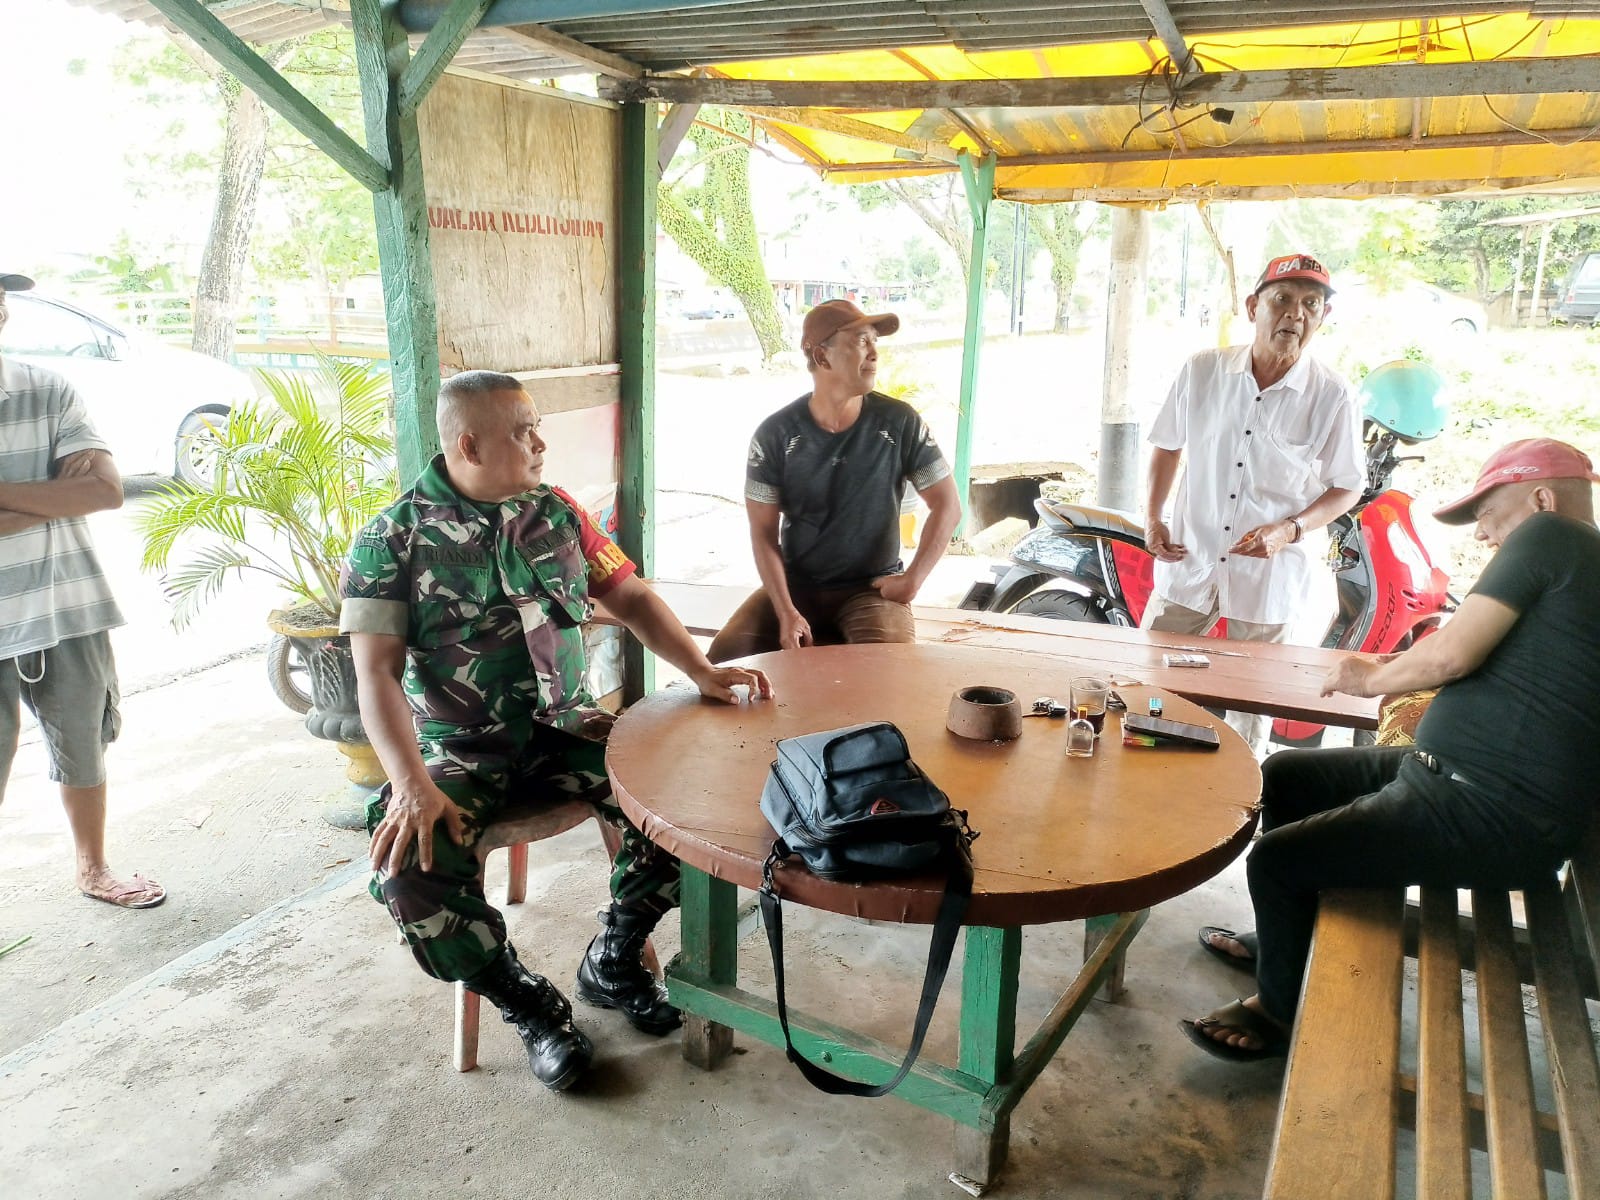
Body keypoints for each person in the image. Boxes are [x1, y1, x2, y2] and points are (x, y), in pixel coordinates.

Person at [341, 369, 771, 1092]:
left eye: (537, 427)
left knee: (693, 810)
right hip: (460, 748)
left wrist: (701, 669)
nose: (542, 443)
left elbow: (629, 594)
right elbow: (375, 675)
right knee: (408, 872)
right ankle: (531, 1006)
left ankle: (613, 955)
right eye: (522, 431)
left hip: (568, 729)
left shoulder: (558, 512)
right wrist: (412, 785)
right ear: (469, 443)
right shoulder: (392, 538)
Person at [1184, 438, 1600, 1061]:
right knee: (1289, 774)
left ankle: (1277, 1013)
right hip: (1459, 781)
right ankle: (1283, 937)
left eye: (1490, 515)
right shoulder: (1576, 570)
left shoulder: (1553, 539)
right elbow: (1471, 653)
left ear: (1542, 499)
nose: (1485, 535)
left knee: (1275, 861)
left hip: (1485, 808)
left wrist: (1367, 679)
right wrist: (1394, 665)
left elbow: (1452, 654)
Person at [1144, 253, 1365, 751]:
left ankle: (1241, 806)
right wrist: (1154, 516)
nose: (1296, 313)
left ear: (1323, 318)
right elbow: (1167, 442)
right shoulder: (1203, 371)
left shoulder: (1333, 394)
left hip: (1272, 577)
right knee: (1153, 684)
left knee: (1252, 708)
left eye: (1311, 304)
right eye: (1282, 299)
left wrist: (1290, 529)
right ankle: (1147, 776)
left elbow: (1347, 485)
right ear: (1252, 306)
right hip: (1191, 557)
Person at [0, 271, 164, 911]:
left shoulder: (46, 390)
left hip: (65, 604)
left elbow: (105, 490)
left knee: (84, 744)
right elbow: (77, 493)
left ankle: (93, 869)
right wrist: (49, 497)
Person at [707, 299, 961, 663]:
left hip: (871, 590)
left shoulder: (899, 422)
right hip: (795, 588)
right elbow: (763, 533)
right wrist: (784, 610)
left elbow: (948, 505)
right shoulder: (776, 435)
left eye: (875, 341)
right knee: (721, 665)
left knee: (890, 679)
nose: (874, 353)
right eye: (860, 341)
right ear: (822, 357)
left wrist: (912, 580)